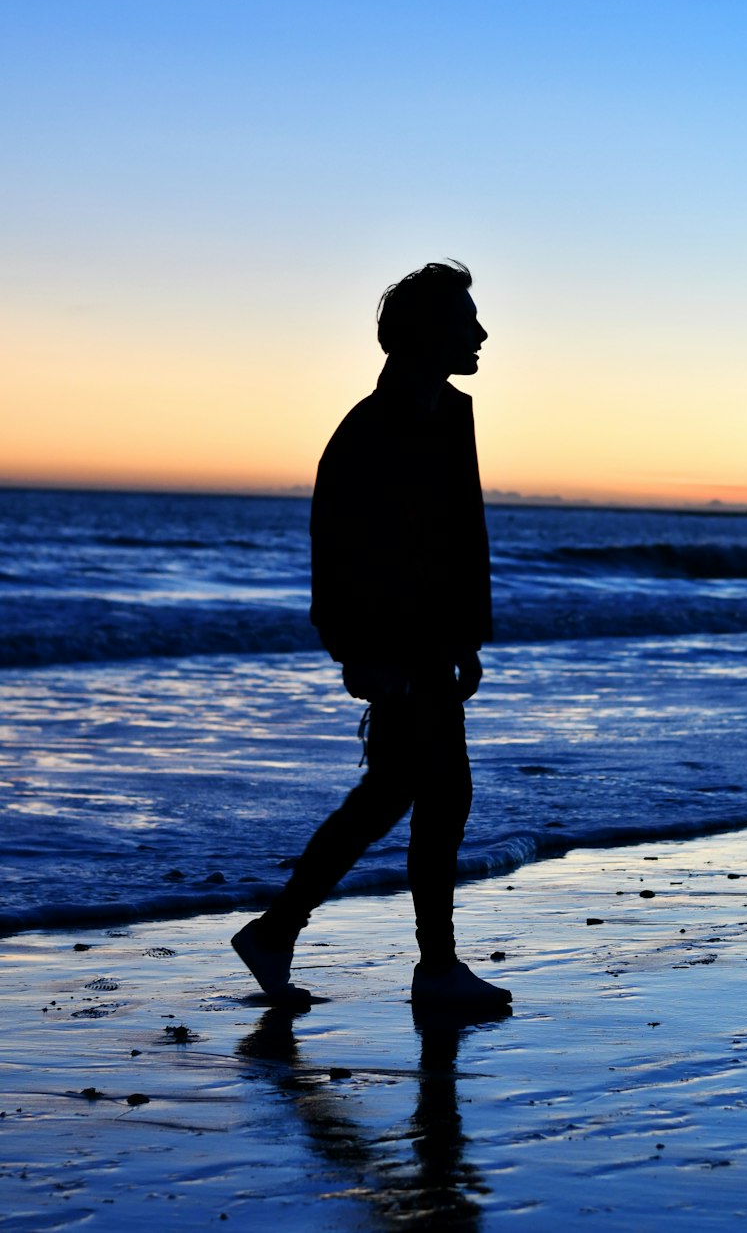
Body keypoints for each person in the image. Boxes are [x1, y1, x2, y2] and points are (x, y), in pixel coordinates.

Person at [232, 261, 511, 1012]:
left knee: (401, 792)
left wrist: (467, 638)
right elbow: (339, 547)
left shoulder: (448, 414)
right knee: (435, 791)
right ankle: (431, 966)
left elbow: (461, 538)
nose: (481, 332)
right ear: (425, 332)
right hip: (391, 642)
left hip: (431, 640)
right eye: (465, 320)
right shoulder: (370, 428)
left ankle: (281, 932)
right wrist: (358, 653)